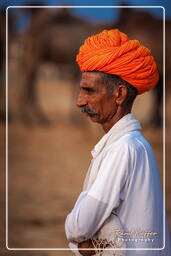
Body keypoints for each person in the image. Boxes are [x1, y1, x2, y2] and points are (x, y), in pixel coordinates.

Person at [65, 29, 171, 256]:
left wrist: (80, 239)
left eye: (89, 90)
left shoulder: (123, 149)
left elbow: (79, 227)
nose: (79, 101)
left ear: (119, 94)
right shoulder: (131, 144)